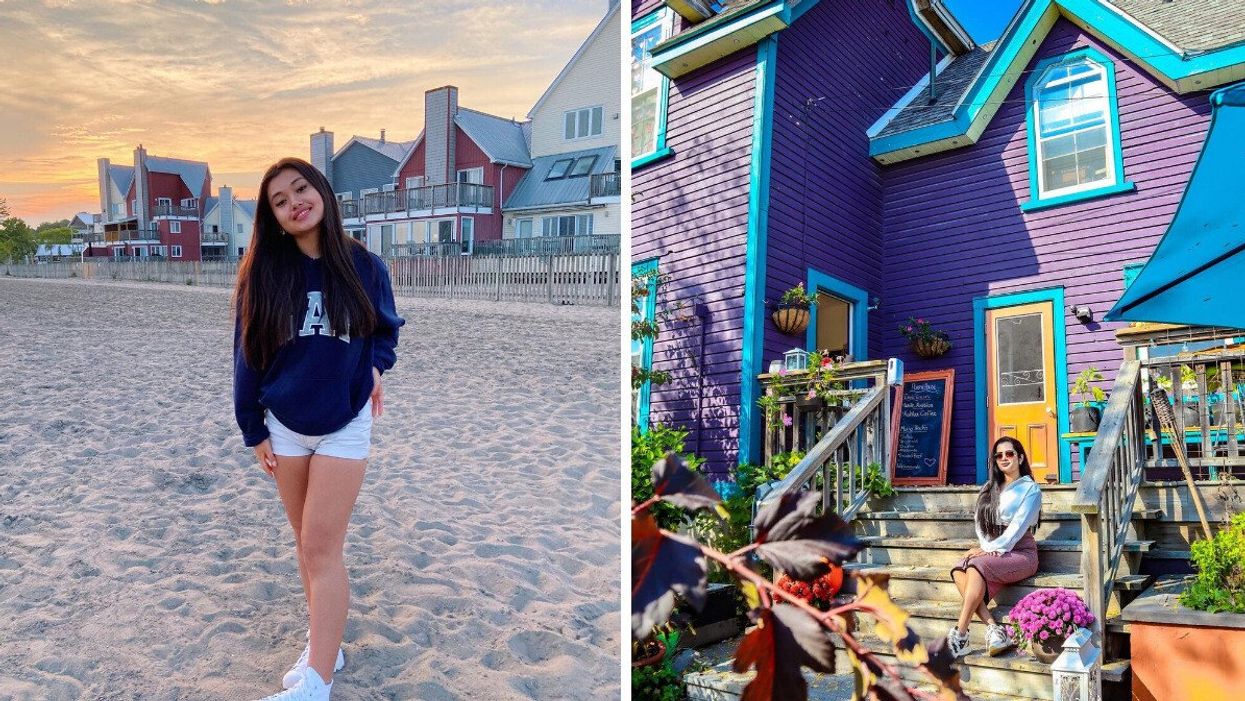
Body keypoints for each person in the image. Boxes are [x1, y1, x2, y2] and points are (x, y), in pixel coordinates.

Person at [233, 157, 405, 700]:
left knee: (322, 546)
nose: (293, 203)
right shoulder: (264, 272)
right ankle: (325, 642)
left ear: (323, 192)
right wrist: (251, 428)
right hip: (284, 425)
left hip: (345, 423)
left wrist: (375, 365)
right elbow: (247, 356)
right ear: (274, 218)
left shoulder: (365, 267)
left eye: (300, 189)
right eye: (279, 202)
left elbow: (386, 331)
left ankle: (316, 683)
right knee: (306, 546)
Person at [946, 436, 1042, 658]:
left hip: (1020, 552)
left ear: (1020, 457)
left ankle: (960, 635)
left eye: (1009, 453)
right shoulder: (989, 488)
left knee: (975, 565)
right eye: (999, 455)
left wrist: (992, 549)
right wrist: (986, 546)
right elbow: (979, 521)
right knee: (960, 569)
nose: (1004, 458)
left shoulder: (1031, 489)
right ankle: (994, 628)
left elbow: (1017, 528)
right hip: (992, 547)